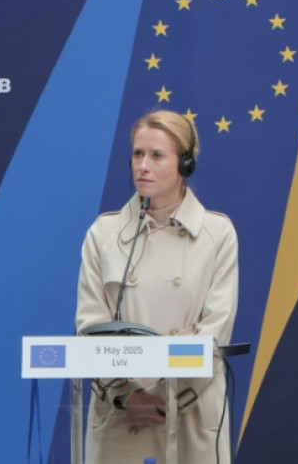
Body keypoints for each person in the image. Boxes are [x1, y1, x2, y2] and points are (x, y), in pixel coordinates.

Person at [75, 110, 238, 464]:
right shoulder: (103, 235)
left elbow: (215, 331)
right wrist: (128, 396)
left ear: (185, 164)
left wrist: (168, 398)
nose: (143, 166)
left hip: (192, 414)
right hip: (121, 417)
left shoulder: (217, 235)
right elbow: (90, 327)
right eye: (138, 154)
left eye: (157, 155)